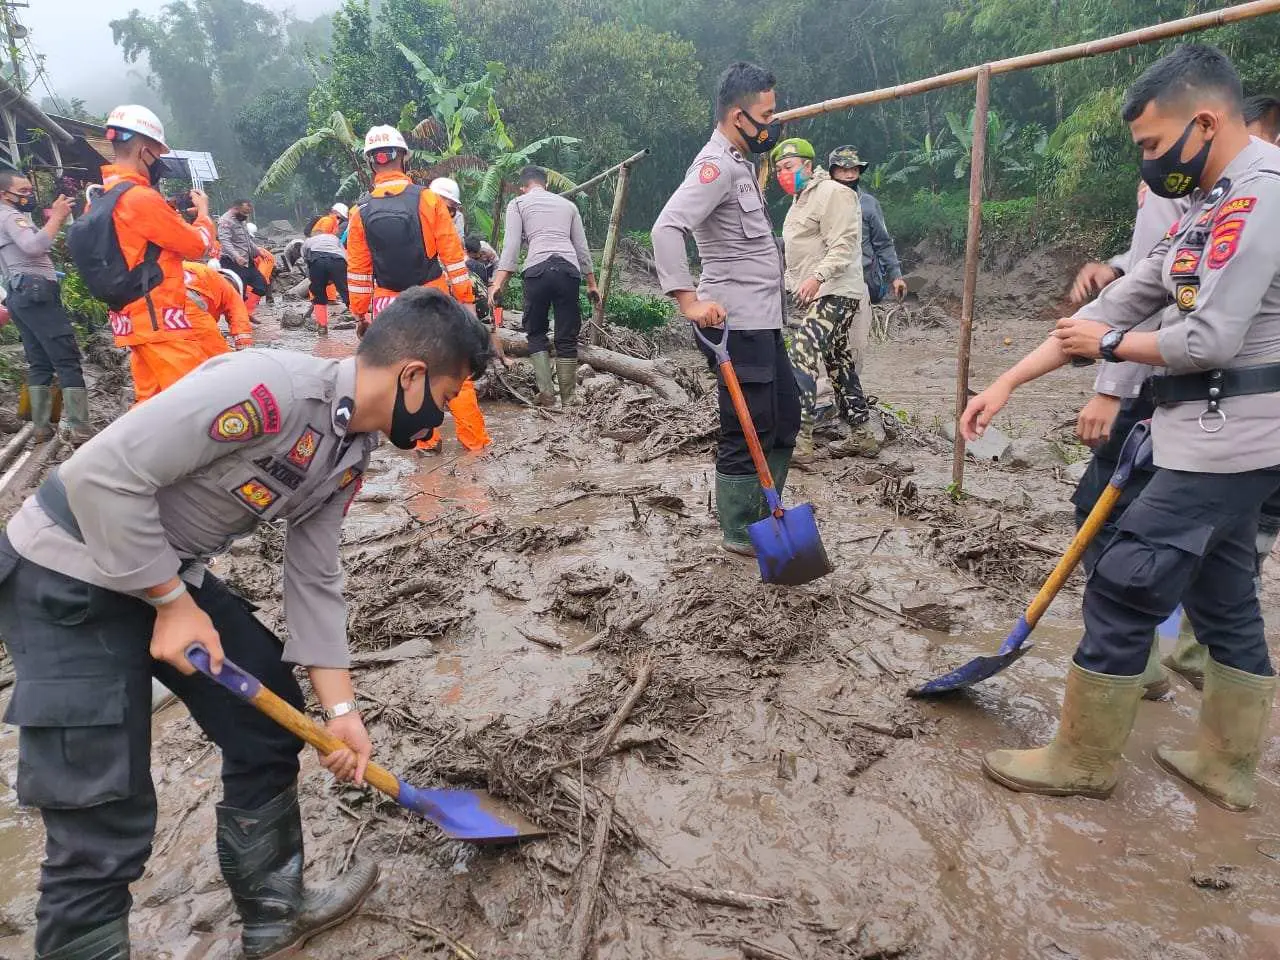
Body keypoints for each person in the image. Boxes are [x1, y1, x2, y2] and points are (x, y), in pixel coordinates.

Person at [0, 287, 492, 959]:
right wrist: (173, 604)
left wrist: (340, 707)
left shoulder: (348, 452)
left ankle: (274, 911)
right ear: (411, 376)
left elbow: (315, 578)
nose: (444, 410)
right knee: (102, 808)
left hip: (162, 574)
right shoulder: (269, 389)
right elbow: (97, 478)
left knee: (268, 726)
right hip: (68, 572)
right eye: (447, 392)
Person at [961, 44, 1280, 811]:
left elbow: (1210, 339)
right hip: (1224, 440)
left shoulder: (1257, 196)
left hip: (1225, 439)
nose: (1147, 161)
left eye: (1150, 144)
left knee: (1125, 582)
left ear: (1204, 121)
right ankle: (1226, 765)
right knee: (1225, 593)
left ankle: (1083, 759)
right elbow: (1123, 300)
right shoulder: (1209, 202)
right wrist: (1007, 380)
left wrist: (1104, 348)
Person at [652, 61, 799, 556]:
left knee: (784, 417)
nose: (772, 125)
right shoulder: (713, 167)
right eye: (767, 116)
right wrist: (688, 300)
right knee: (748, 427)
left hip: (764, 319)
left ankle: (766, 513)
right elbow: (666, 228)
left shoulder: (740, 165)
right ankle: (740, 529)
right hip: (734, 322)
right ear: (739, 116)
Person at [347, 126, 487, 452]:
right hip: (432, 298)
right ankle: (475, 446)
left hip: (388, 304)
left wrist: (360, 314)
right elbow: (453, 258)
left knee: (404, 375)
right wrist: (465, 303)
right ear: (404, 158)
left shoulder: (359, 212)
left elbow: (357, 270)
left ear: (371, 163)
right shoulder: (428, 200)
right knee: (455, 373)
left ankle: (425, 443)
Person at [89, 105, 218, 405]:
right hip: (159, 321)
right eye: (158, 155)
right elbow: (198, 246)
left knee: (150, 403)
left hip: (130, 321)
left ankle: (140, 452)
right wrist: (203, 215)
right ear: (145, 150)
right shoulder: (139, 198)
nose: (159, 162)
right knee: (194, 402)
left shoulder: (100, 198)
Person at [770, 137, 877, 463]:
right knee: (838, 363)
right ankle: (863, 435)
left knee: (801, 356)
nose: (783, 174)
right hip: (817, 293)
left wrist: (817, 277)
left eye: (788, 167)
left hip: (836, 291)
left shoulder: (834, 193)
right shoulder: (798, 202)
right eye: (778, 170)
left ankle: (801, 443)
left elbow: (844, 245)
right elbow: (799, 253)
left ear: (806, 164)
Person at [491, 166, 599, 406]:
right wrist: (592, 284)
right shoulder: (569, 206)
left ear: (523, 187)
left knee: (536, 332)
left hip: (537, 271)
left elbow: (511, 248)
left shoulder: (518, 204)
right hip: (568, 272)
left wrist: (498, 283)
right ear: (546, 185)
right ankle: (569, 398)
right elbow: (581, 248)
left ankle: (547, 394)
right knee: (566, 335)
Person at [0, 172, 94, 444]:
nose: (28, 195)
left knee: (39, 362)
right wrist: (57, 217)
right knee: (66, 358)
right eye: (23, 190)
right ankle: (80, 429)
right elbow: (33, 246)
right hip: (35, 293)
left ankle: (41, 427)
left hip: (21, 295)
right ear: (4, 193)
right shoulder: (9, 216)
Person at [827, 146, 906, 374]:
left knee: (856, 341)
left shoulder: (869, 204)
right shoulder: (822, 202)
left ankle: (852, 392)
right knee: (827, 340)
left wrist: (896, 276)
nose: (850, 174)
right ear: (832, 172)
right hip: (828, 282)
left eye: (854, 169)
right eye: (843, 169)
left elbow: (883, 243)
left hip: (860, 282)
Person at [185, 258, 253, 356]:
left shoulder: (201, 271)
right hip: (188, 306)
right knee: (220, 360)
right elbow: (240, 321)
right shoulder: (230, 290)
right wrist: (244, 354)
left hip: (160, 302)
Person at [218, 199, 269, 315]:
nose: (246, 215)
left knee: (262, 286)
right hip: (232, 262)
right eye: (244, 212)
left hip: (247, 261)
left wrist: (258, 251)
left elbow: (247, 241)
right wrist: (236, 256)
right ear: (235, 208)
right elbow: (225, 242)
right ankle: (237, 318)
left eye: (248, 213)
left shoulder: (242, 221)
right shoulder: (225, 221)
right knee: (239, 293)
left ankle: (246, 311)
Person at [301, 226, 350, 336]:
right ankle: (362, 321)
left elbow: (305, 258)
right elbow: (344, 254)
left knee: (318, 294)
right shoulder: (334, 238)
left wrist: (315, 279)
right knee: (346, 292)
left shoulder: (309, 241)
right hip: (337, 260)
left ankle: (322, 327)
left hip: (317, 261)